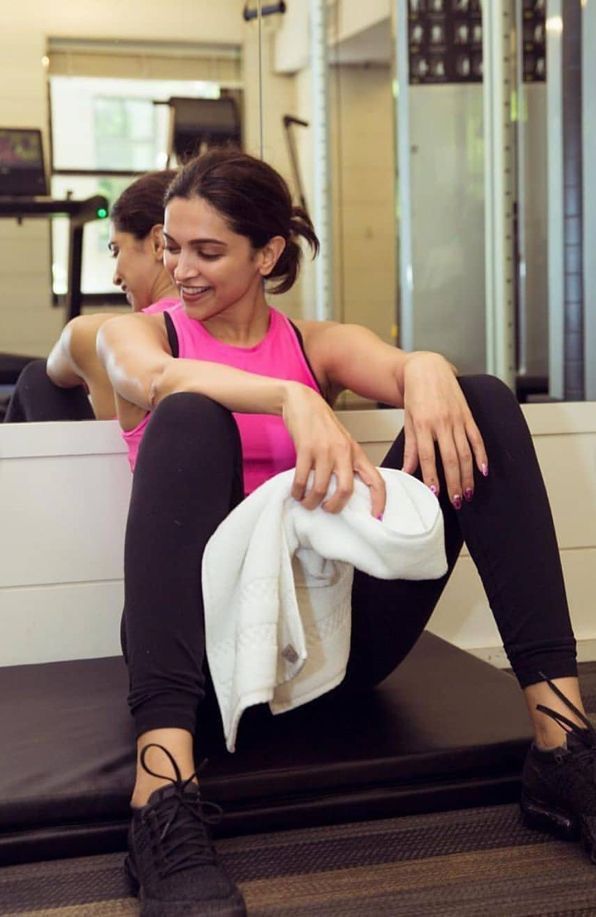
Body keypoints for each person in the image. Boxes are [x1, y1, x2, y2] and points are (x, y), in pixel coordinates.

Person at [96, 148, 594, 917]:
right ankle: (159, 796)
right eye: (171, 246)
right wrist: (290, 400)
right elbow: (156, 382)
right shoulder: (137, 335)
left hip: (332, 643)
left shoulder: (316, 343)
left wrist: (425, 367)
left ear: (267, 254)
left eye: (207, 251)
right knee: (193, 414)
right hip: (203, 658)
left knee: (484, 401)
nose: (180, 269)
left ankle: (561, 747)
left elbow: (404, 370)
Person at [3, 169, 179, 423]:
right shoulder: (225, 325)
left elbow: (55, 366)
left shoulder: (99, 335)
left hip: (136, 449)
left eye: (116, 250)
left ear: (158, 244)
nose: (115, 277)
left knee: (38, 375)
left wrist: (82, 359)